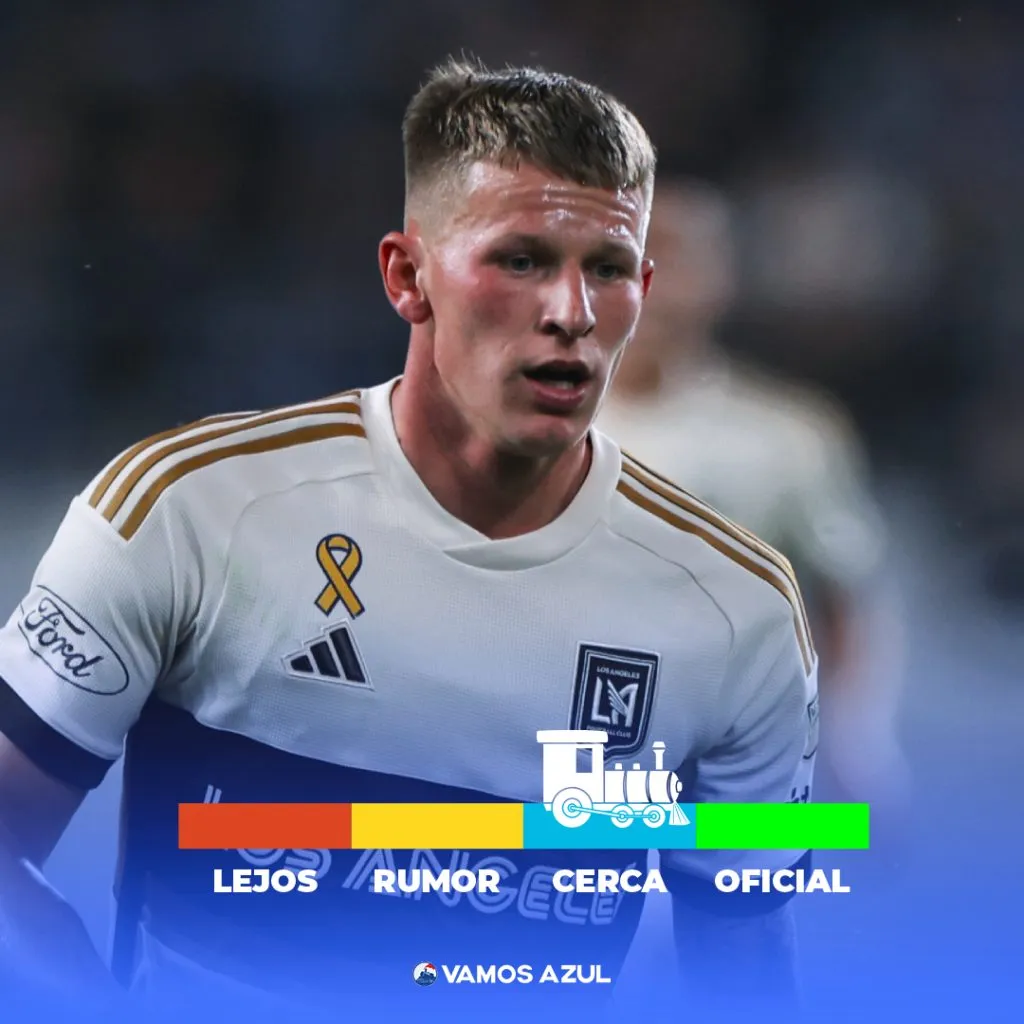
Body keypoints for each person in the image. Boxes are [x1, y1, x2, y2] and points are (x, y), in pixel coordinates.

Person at [0, 61, 816, 1021]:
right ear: (407, 277)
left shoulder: (741, 611)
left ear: (643, 287)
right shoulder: (187, 511)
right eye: (520, 259)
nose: (571, 312)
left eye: (606, 269)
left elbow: (746, 956)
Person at [598, 178, 908, 808]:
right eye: (622, 257)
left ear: (723, 279)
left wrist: (856, 741)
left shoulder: (787, 436)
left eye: (677, 258)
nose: (651, 282)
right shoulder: (517, 425)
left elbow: (846, 599)